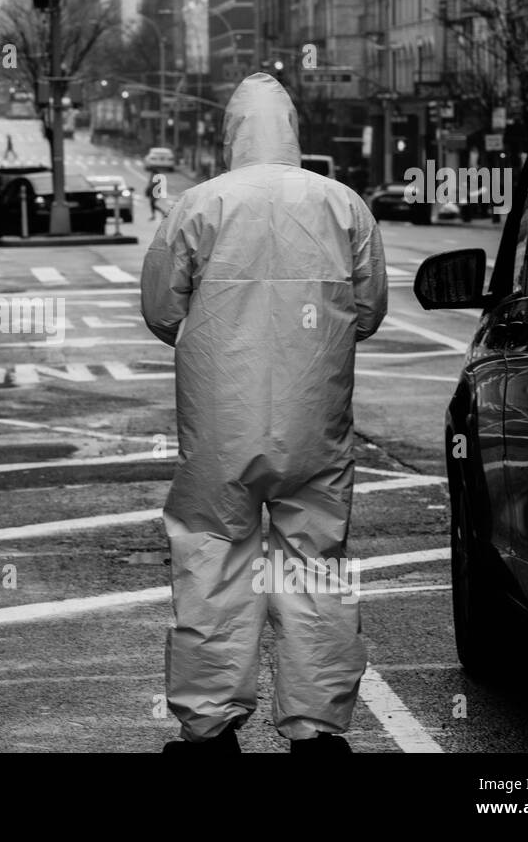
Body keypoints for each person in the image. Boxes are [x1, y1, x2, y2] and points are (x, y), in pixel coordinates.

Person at [140, 72, 387, 754]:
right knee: (315, 567)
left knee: (213, 561)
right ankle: (316, 730)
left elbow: (162, 308)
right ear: (294, 132)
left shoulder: (200, 204)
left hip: (220, 425)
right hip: (317, 419)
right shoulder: (344, 206)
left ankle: (211, 727)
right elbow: (368, 313)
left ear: (231, 134)